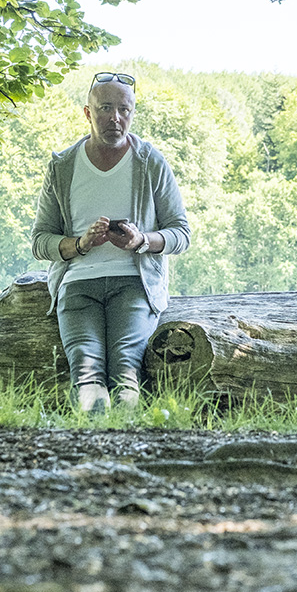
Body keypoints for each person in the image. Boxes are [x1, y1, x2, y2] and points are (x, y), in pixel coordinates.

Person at [31, 71, 190, 413]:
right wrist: (79, 244)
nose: (115, 118)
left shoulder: (150, 162)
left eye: (124, 109)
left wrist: (141, 240)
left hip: (134, 284)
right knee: (86, 373)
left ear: (133, 113)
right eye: (105, 108)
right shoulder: (63, 166)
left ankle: (124, 449)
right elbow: (40, 240)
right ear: (87, 112)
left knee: (125, 371)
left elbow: (181, 234)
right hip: (77, 286)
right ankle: (93, 449)